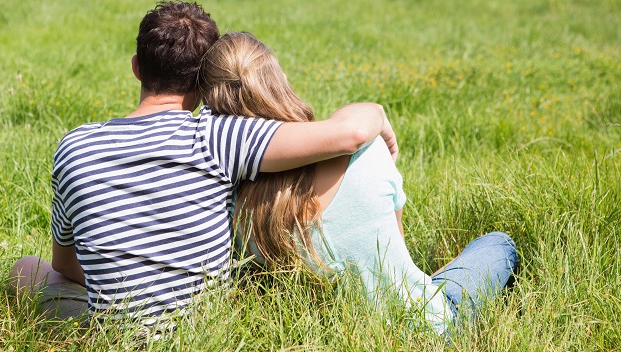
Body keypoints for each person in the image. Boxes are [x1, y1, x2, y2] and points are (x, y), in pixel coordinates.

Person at [8, 2, 399, 326]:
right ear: (203, 83)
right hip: (202, 328)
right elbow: (347, 134)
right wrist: (379, 115)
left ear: (137, 68)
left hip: (114, 333)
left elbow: (65, 263)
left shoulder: (75, 145)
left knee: (25, 268)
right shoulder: (218, 136)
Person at [199, 32, 518, 335]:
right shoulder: (367, 153)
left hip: (328, 335)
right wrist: (375, 114)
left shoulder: (233, 201)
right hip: (427, 326)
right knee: (498, 244)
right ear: (278, 82)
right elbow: (397, 257)